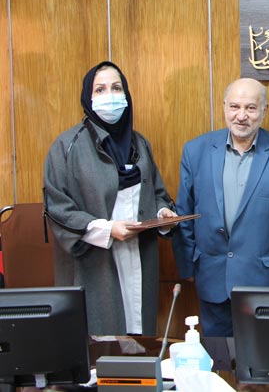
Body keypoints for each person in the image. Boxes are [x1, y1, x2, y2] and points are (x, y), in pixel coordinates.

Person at [43, 61, 178, 335]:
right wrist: (107, 229)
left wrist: (163, 215)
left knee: (139, 337)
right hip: (96, 260)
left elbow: (157, 194)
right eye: (100, 89)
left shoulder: (140, 143)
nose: (110, 96)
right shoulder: (67, 146)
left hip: (139, 256)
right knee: (101, 340)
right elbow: (57, 208)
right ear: (88, 97)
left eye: (117, 88)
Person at [172, 78, 269, 336]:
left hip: (265, 283)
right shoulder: (196, 151)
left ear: (264, 110)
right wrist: (187, 267)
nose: (241, 116)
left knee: (266, 357)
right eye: (234, 106)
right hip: (212, 277)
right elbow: (184, 213)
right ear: (224, 106)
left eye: (251, 108)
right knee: (218, 356)